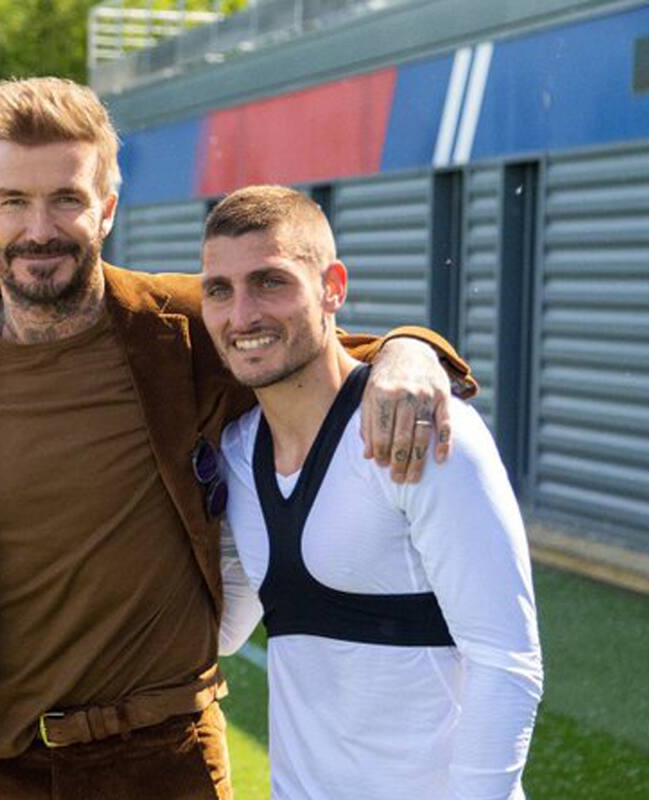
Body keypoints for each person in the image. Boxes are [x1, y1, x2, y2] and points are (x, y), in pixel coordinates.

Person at [0, 76, 476, 800]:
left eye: (67, 199)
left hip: (161, 761)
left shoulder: (185, 329)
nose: (39, 229)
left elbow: (328, 349)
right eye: (14, 202)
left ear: (108, 208)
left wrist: (411, 350)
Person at [207, 185, 543, 799]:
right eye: (220, 291)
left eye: (270, 282)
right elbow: (224, 631)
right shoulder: (235, 454)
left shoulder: (426, 432)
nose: (242, 315)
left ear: (333, 287)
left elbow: (507, 663)